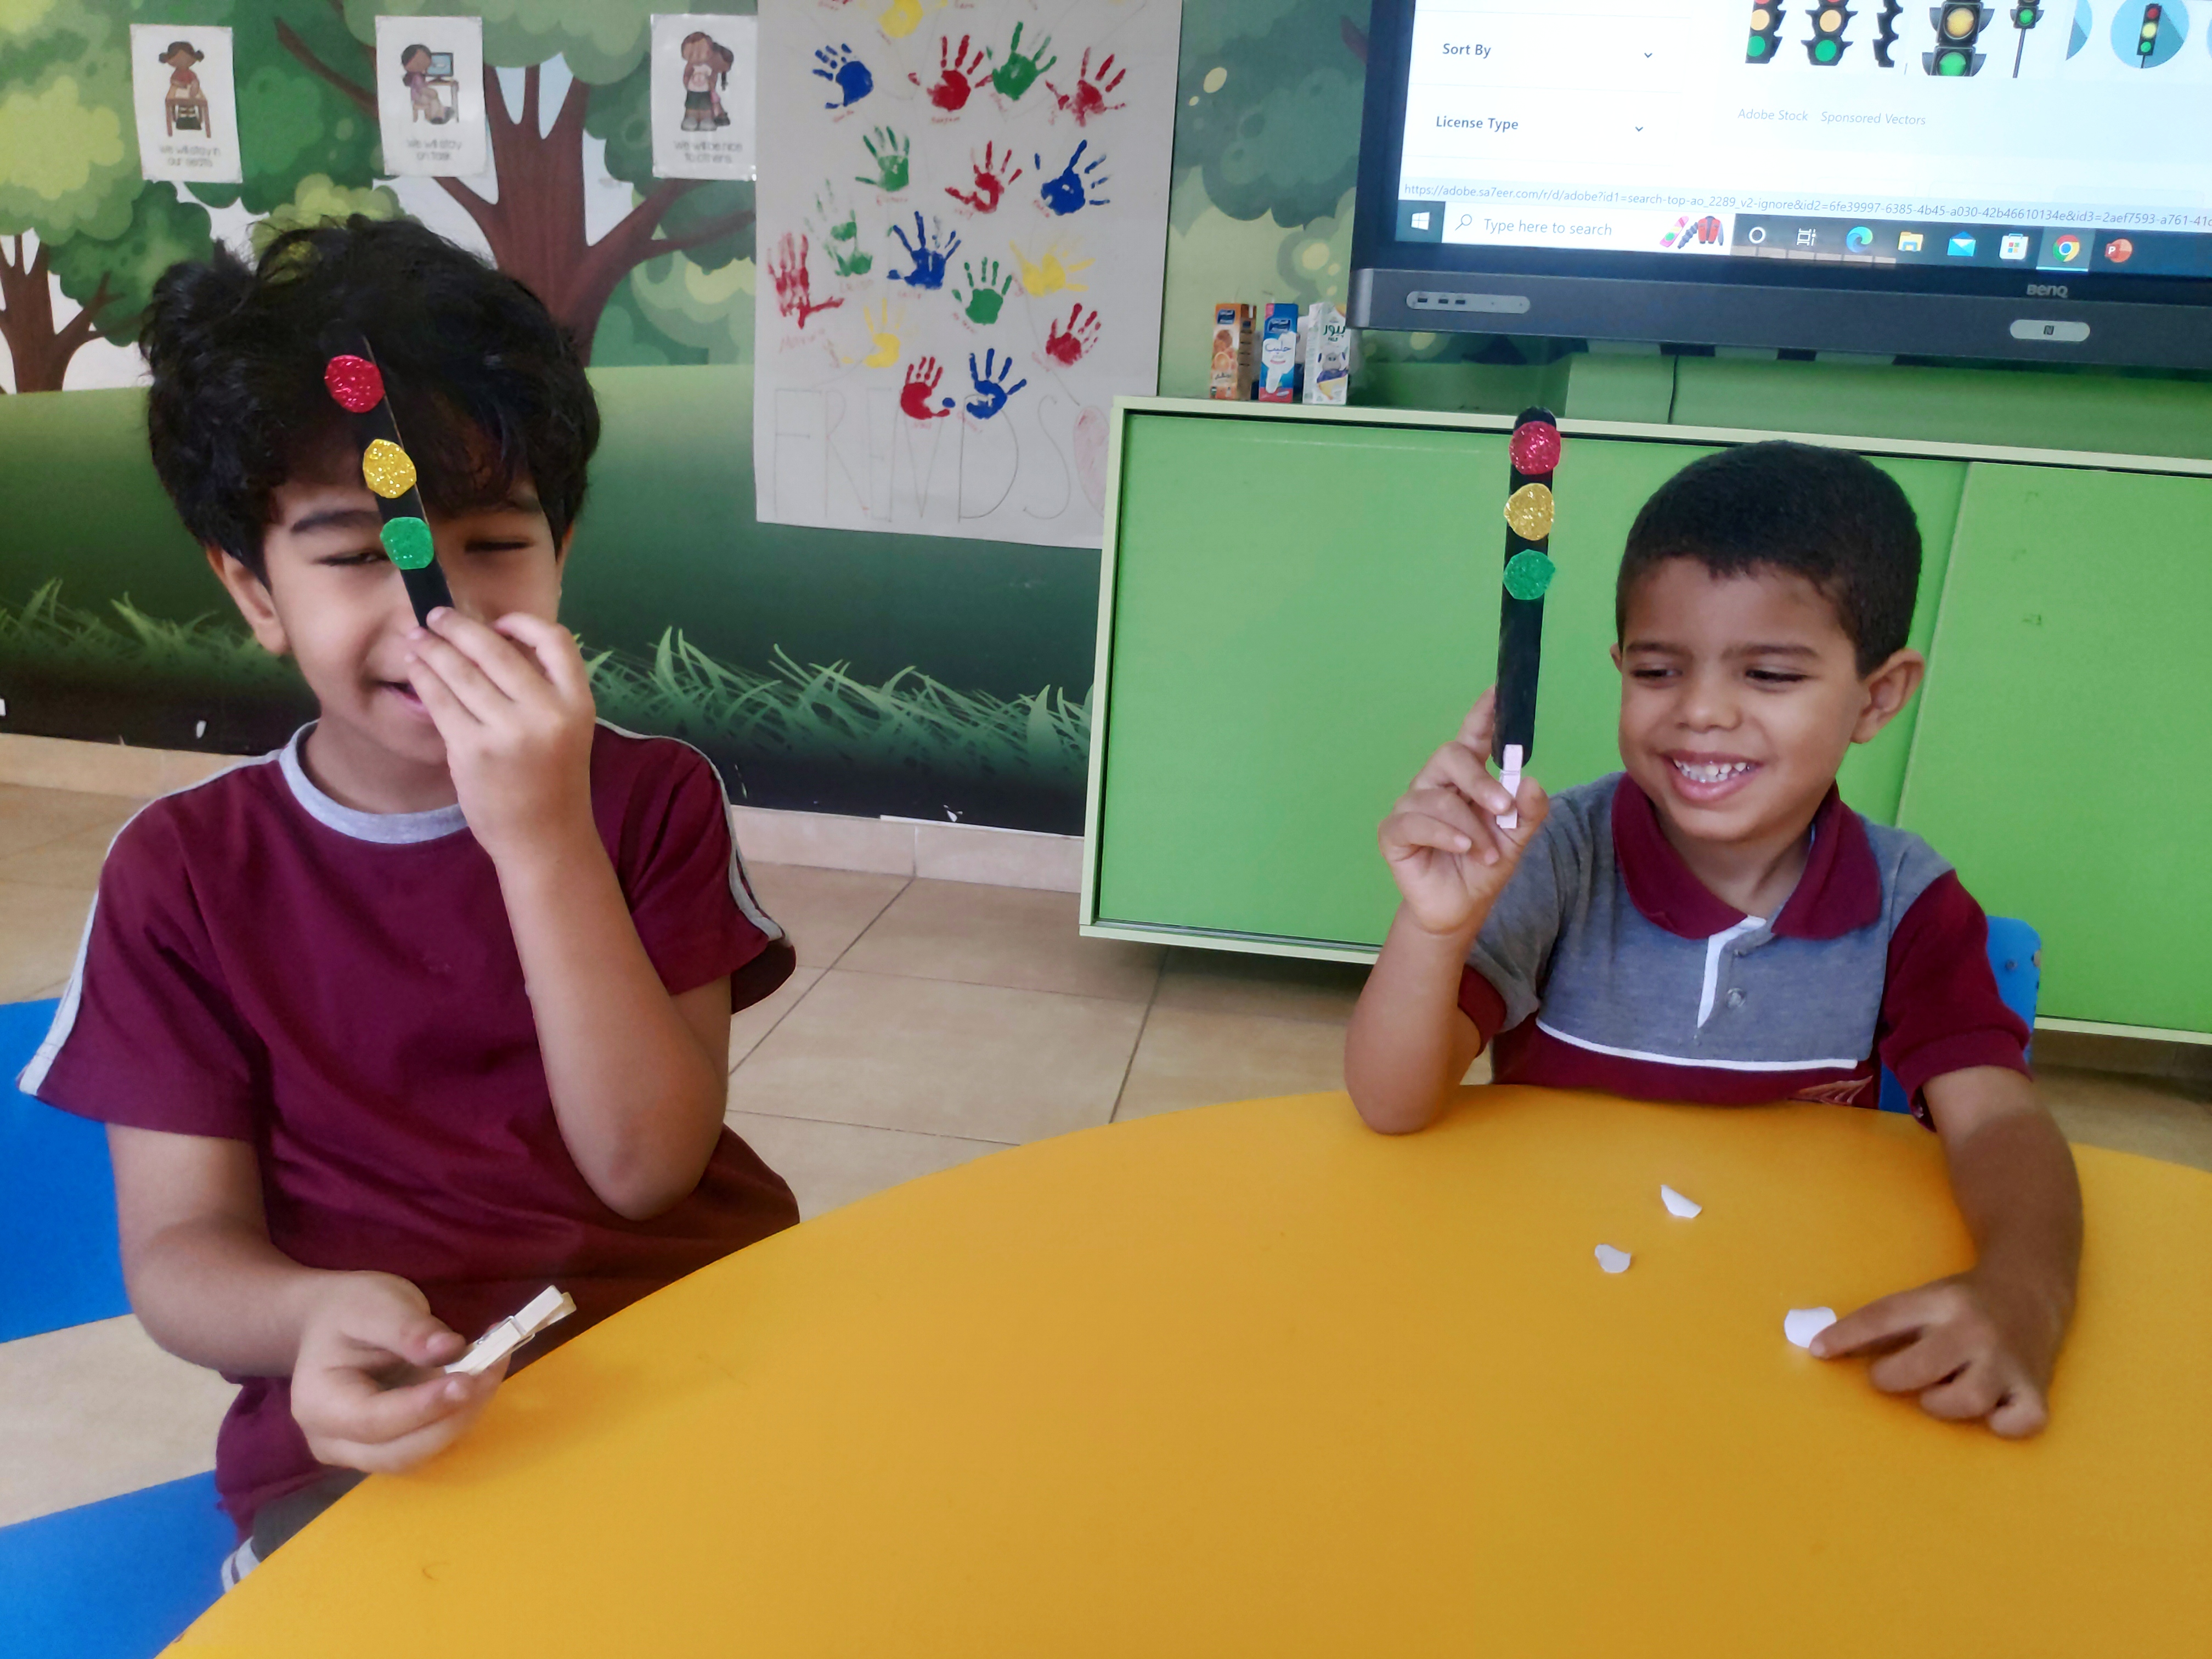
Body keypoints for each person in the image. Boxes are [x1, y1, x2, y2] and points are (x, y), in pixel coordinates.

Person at [17, 217, 801, 1576]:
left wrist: (543, 839)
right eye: (353, 553)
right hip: (379, 1428)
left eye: (494, 542)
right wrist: (304, 1319)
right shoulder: (180, 877)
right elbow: (182, 1250)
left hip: (689, 1348)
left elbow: (645, 1167)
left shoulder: (650, 801)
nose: (439, 614)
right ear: (253, 591)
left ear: (562, 549)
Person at [1344, 441, 2081, 1439]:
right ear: (1620, 669)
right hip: (1545, 1321)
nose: (1700, 713)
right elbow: (1391, 1106)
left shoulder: (1912, 904)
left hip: (1777, 1344)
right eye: (1658, 670)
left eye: (1769, 674)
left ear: (1877, 696)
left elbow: (1999, 1125)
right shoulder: (1555, 856)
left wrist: (2025, 1294)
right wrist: (1436, 929)